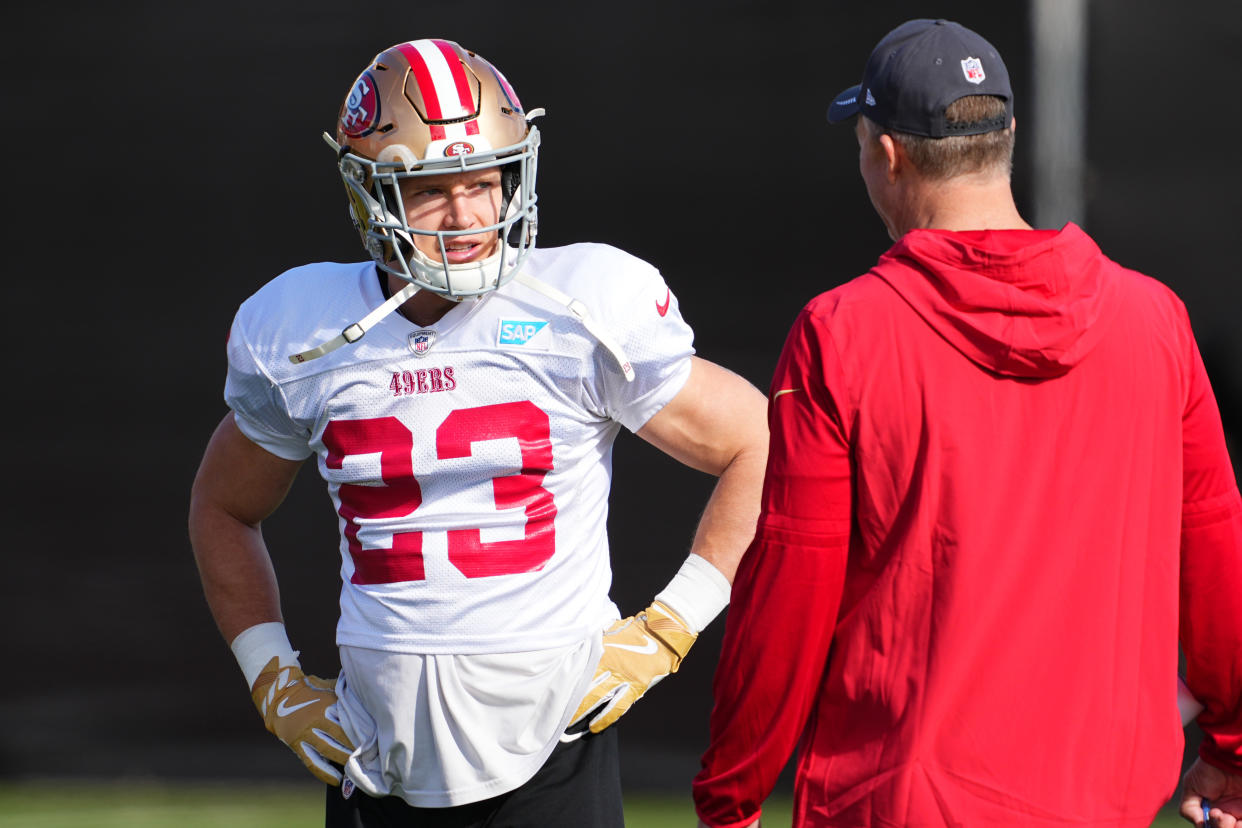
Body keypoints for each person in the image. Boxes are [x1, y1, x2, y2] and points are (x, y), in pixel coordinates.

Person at [187, 38, 768, 828]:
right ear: (371, 194)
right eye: (431, 190)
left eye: (485, 181)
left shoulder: (581, 306)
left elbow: (756, 442)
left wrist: (670, 627)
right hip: (374, 751)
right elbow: (222, 507)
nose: (467, 216)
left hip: (553, 748)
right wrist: (271, 677)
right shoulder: (307, 330)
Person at [692, 18, 1242, 828]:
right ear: (1007, 136)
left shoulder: (842, 332)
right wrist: (1231, 747)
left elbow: (791, 586)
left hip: (903, 796)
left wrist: (730, 795)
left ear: (887, 154)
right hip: (1107, 799)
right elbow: (1217, 549)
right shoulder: (1153, 318)